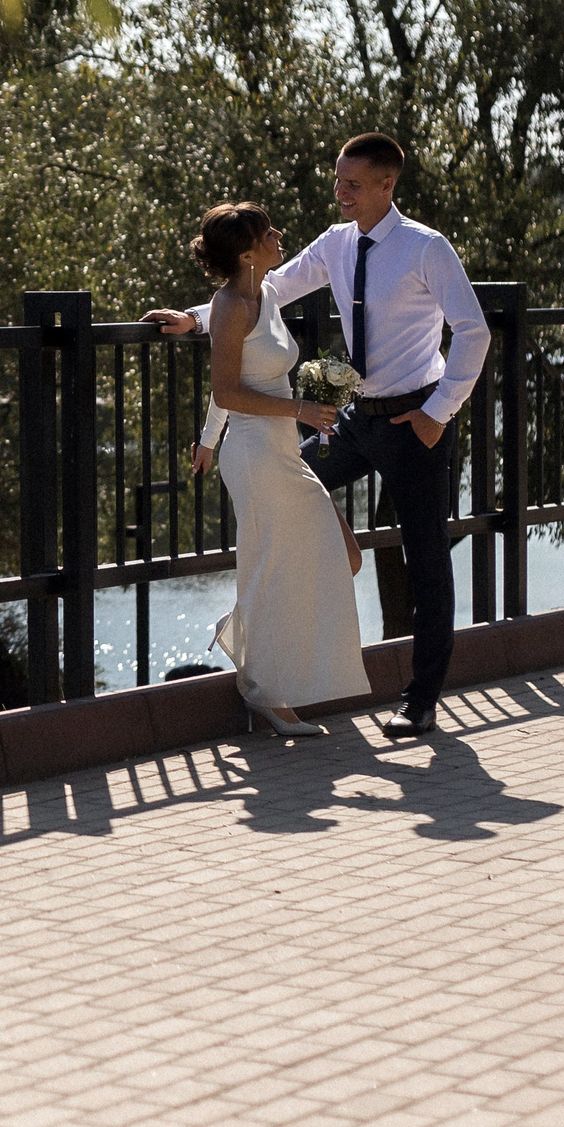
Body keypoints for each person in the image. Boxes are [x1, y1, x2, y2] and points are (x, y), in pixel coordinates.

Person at [147, 133, 490, 739]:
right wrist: (193, 319)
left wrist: (440, 410)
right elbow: (264, 289)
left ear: (388, 185)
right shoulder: (335, 243)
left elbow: (474, 332)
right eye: (337, 180)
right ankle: (272, 659)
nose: (340, 192)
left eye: (353, 184)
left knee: (425, 559)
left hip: (418, 422)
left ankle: (420, 699)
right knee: (288, 493)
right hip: (356, 420)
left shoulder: (425, 248)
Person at [182, 202, 371, 736]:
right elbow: (226, 390)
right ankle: (264, 693)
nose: (279, 235)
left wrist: (206, 438)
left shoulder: (263, 294)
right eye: (269, 233)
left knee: (344, 556)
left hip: (282, 451)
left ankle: (241, 634)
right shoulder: (230, 306)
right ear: (247, 253)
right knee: (272, 568)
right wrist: (297, 411)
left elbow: (239, 379)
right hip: (256, 456)